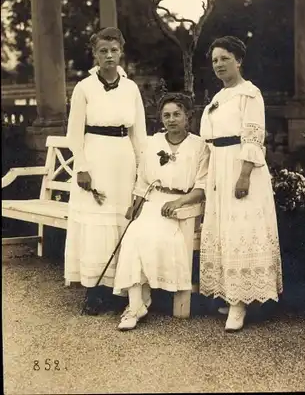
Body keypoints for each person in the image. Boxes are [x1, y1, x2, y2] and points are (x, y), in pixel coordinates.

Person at [199, 36, 283, 332]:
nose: (219, 65)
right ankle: (230, 293)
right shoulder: (218, 98)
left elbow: (252, 137)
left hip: (241, 167)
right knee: (224, 230)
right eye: (214, 61)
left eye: (224, 58)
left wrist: (244, 174)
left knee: (241, 229)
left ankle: (240, 305)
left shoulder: (250, 94)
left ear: (238, 60)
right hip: (219, 167)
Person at [64, 27, 147, 314]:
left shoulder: (131, 88)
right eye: (103, 51)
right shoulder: (84, 88)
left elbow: (139, 134)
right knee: (95, 222)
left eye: (113, 50)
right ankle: (93, 289)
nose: (109, 55)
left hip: (123, 159)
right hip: (95, 157)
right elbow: (74, 133)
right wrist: (82, 168)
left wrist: (143, 169)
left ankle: (119, 288)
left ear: (121, 52)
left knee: (120, 220)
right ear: (95, 54)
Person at [113, 93, 210, 330]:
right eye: (166, 115)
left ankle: (143, 299)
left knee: (152, 236)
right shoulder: (153, 142)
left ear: (188, 116)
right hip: (153, 201)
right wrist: (134, 207)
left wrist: (179, 202)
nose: (172, 119)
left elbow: (202, 186)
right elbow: (143, 180)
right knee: (133, 236)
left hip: (180, 207)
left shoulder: (199, 146)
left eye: (177, 114)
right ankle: (136, 305)